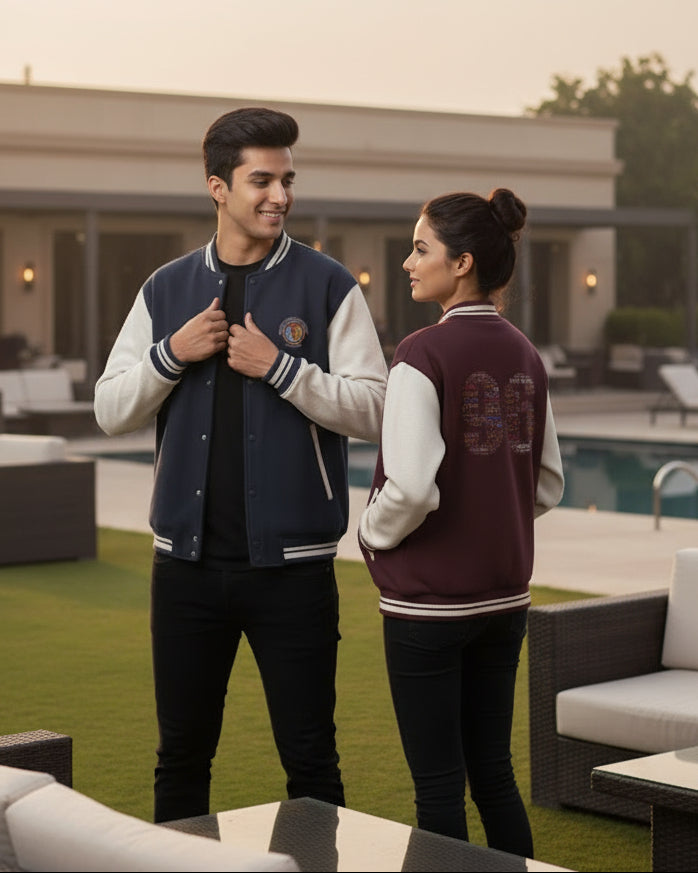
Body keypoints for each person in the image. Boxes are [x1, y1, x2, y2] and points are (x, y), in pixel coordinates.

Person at [94, 106, 388, 823]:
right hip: (185, 571)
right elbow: (109, 408)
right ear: (217, 187)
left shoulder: (328, 286)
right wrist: (171, 355)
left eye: (287, 179)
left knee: (312, 760)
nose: (280, 196)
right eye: (262, 180)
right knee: (181, 759)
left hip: (295, 573)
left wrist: (282, 369)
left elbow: (377, 407)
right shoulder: (164, 290)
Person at [358, 188, 564, 856]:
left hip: (429, 613)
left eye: (422, 249)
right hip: (504, 603)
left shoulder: (422, 353)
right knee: (495, 774)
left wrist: (370, 531)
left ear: (464, 262)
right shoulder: (527, 354)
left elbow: (411, 485)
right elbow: (550, 483)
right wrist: (492, 510)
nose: (409, 264)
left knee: (438, 790)